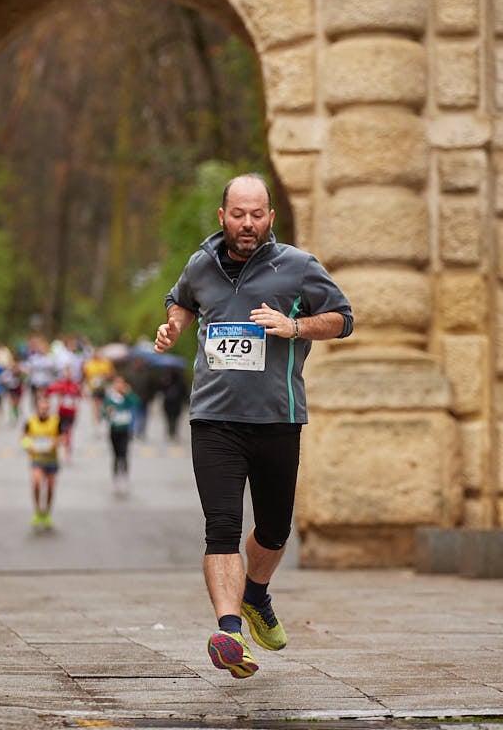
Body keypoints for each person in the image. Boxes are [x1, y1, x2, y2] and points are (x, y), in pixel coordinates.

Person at [153, 172, 354, 679]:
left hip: (277, 419)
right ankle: (229, 632)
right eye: (238, 214)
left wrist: (294, 326)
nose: (247, 224)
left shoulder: (298, 267)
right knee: (221, 527)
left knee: (273, 528)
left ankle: (256, 596)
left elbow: (342, 318)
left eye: (257, 214)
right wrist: (174, 323)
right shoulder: (201, 264)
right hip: (214, 418)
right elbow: (181, 299)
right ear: (222, 216)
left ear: (270, 217)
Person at [21, 392, 61, 529]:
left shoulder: (55, 421)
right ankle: (38, 510)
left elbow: (62, 437)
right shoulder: (30, 421)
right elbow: (23, 437)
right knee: (36, 483)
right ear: (37, 408)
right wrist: (29, 446)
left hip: (51, 459)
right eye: (41, 407)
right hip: (37, 458)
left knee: (50, 487)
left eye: (46, 407)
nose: (44, 410)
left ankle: (47, 513)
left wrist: (54, 443)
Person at [102, 375, 141, 495]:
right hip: (114, 430)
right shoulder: (110, 398)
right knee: (115, 455)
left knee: (124, 453)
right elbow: (104, 413)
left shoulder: (127, 397)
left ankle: (125, 477)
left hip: (125, 430)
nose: (119, 386)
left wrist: (128, 393)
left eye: (121, 383)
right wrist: (107, 412)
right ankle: (115, 479)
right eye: (117, 383)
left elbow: (137, 402)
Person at [47, 366, 82, 460]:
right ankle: (59, 449)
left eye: (69, 373)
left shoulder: (75, 385)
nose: (68, 375)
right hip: (61, 412)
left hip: (71, 413)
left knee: (68, 432)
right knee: (60, 432)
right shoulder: (60, 384)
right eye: (66, 373)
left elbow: (79, 396)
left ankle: (67, 452)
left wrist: (76, 406)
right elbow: (49, 392)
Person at [161, 368, 188, 441]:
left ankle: (172, 431)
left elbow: (184, 392)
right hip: (173, 403)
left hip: (173, 403)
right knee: (172, 419)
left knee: (172, 418)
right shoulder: (168, 381)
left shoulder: (178, 382)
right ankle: (172, 431)